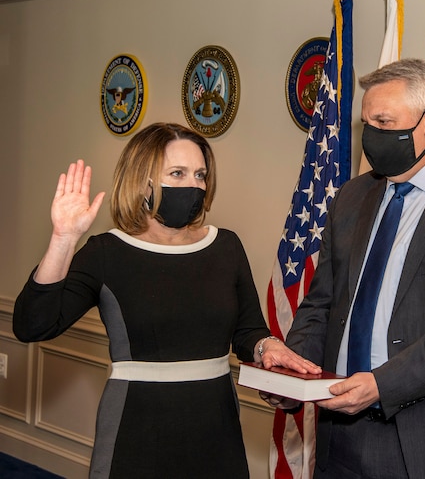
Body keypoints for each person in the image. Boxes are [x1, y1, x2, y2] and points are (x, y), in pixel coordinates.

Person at [13, 122, 318, 478]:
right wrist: (64, 238)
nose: (194, 185)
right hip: (136, 427)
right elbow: (33, 324)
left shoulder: (226, 247)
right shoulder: (106, 253)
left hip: (215, 426)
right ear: (143, 182)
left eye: (200, 174)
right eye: (178, 173)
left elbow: (248, 330)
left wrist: (268, 347)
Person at [267, 58, 425, 478]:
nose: (371, 137)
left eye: (384, 122)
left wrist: (383, 386)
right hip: (341, 433)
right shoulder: (351, 197)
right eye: (367, 123)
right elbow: (321, 302)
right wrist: (293, 373)